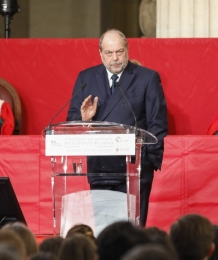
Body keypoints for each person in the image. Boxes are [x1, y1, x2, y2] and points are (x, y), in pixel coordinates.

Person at [67, 29, 168, 225]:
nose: (115, 58)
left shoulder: (146, 78)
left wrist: (148, 160)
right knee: (104, 230)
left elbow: (158, 123)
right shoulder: (86, 78)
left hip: (134, 167)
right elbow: (71, 121)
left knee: (132, 233)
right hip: (100, 168)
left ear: (127, 50)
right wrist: (84, 119)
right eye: (109, 53)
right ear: (100, 53)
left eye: (119, 52)